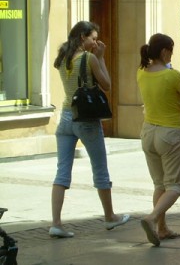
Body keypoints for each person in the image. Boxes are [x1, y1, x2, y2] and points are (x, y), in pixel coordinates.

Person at [50, 21, 130, 238]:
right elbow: (107, 85)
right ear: (82, 37)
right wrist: (101, 58)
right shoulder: (89, 58)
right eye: (93, 38)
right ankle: (110, 216)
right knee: (100, 168)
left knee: (62, 171)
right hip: (86, 119)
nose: (95, 43)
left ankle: (56, 223)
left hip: (66, 117)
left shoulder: (63, 58)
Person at [137, 33, 180, 246]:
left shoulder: (141, 73)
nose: (172, 55)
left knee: (159, 184)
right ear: (164, 52)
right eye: (171, 51)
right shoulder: (173, 76)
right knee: (175, 186)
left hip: (148, 132)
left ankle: (161, 229)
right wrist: (179, 104)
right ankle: (152, 218)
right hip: (171, 133)